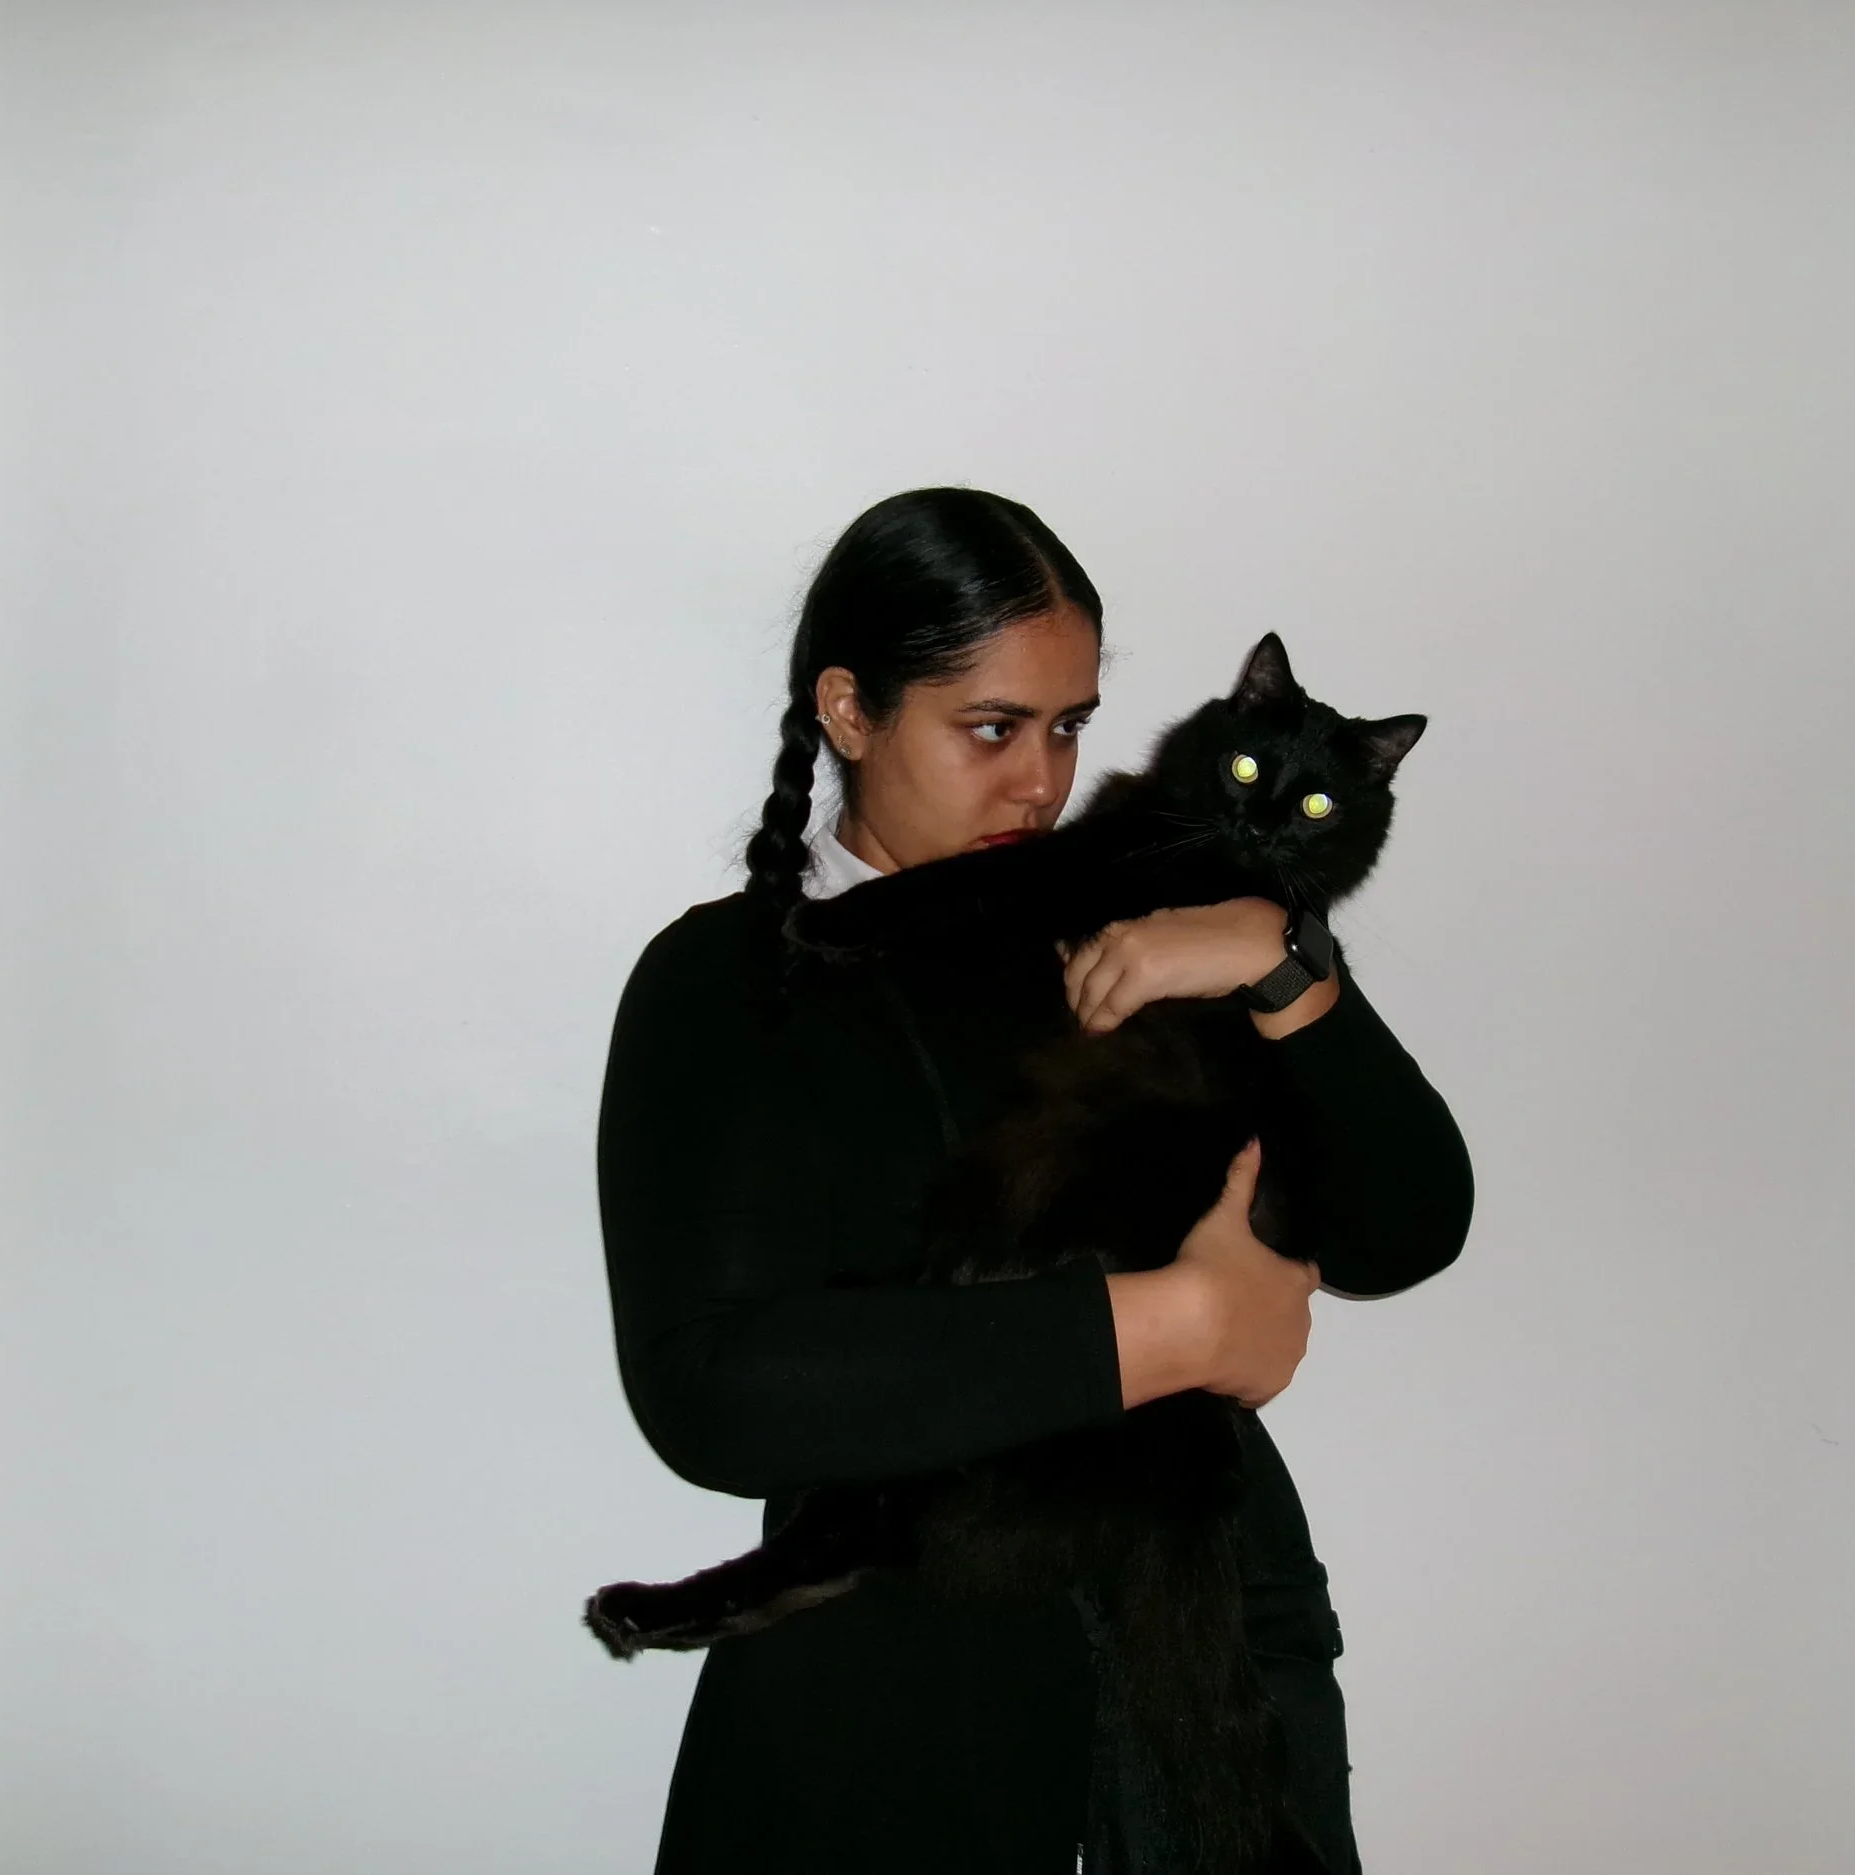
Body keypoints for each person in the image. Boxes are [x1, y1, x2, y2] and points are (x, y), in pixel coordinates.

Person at [596, 487, 1472, 1874]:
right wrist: (1175, 1326)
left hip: (1208, 1680)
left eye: (1068, 727)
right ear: (850, 709)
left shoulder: (1148, 918)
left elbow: (1406, 1228)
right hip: (893, 1723)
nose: (1041, 783)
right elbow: (716, 1393)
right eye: (992, 728)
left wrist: (1284, 967)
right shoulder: (735, 981)